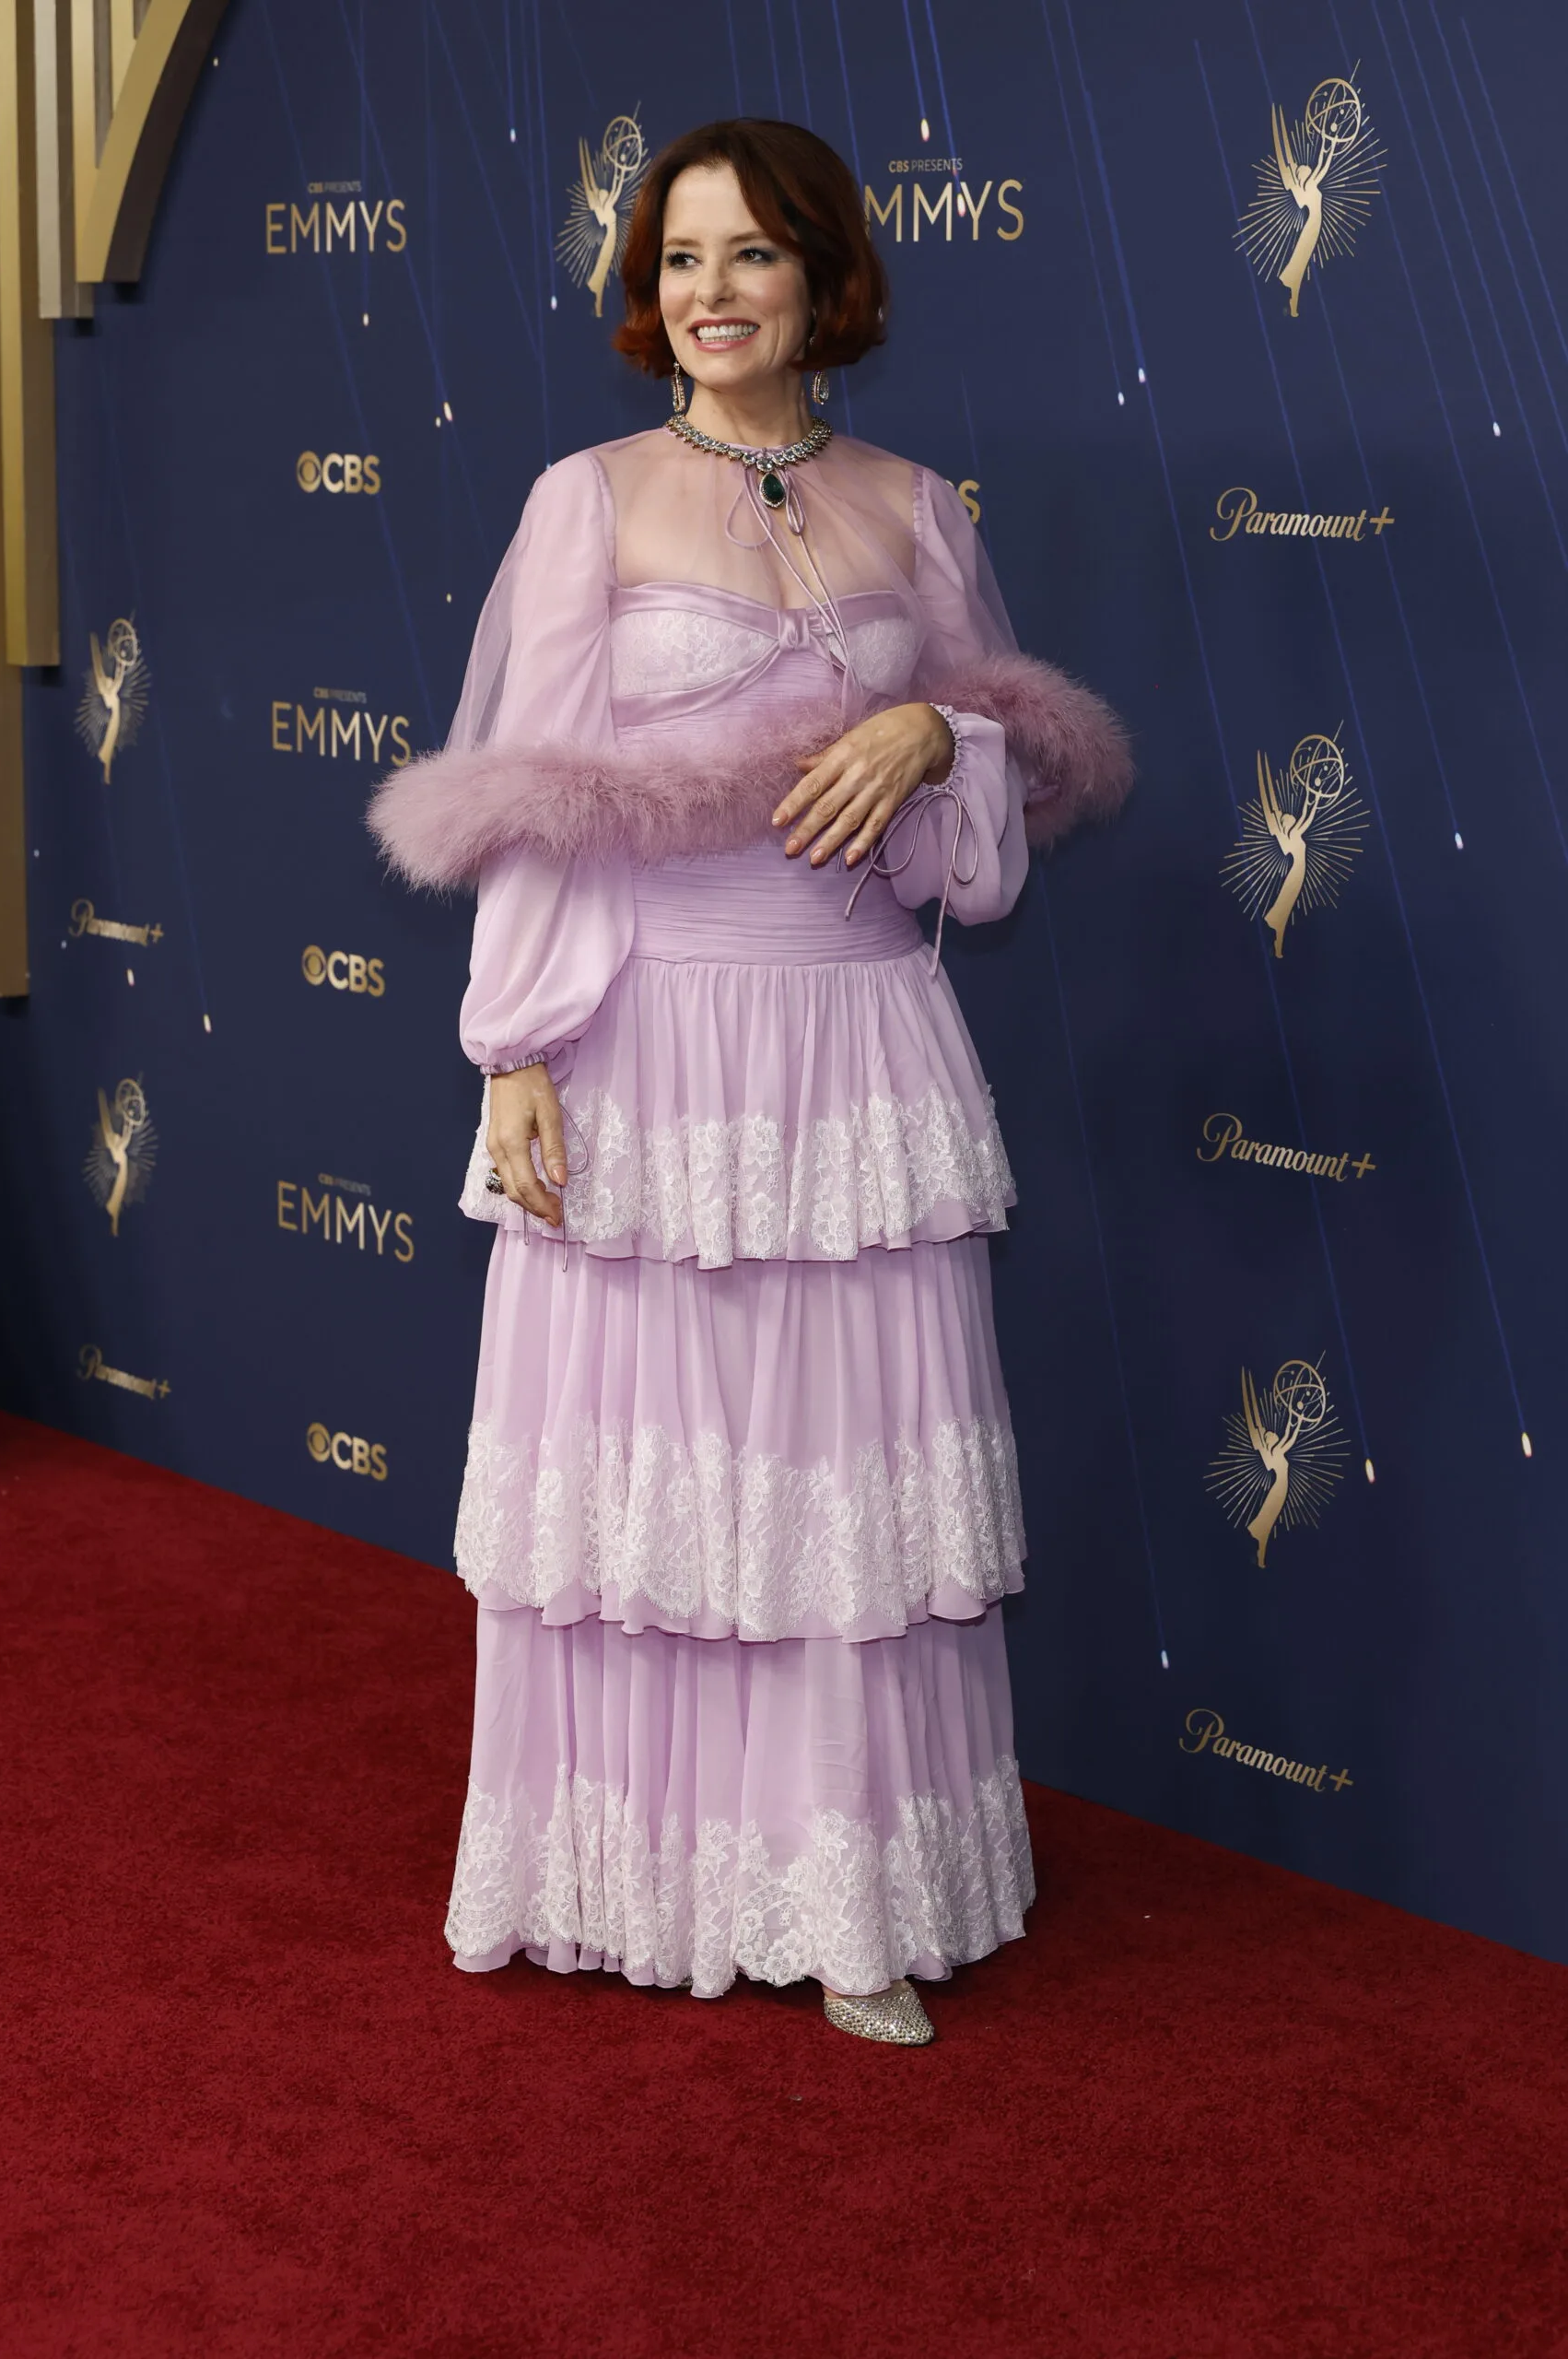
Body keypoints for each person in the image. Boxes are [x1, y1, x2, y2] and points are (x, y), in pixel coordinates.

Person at [370, 118, 1130, 2045]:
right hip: (647, 1033)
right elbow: (534, 800)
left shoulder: (914, 505)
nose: (710, 292)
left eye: (751, 254)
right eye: (680, 257)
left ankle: (849, 1900)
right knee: (658, 1472)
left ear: (823, 278)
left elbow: (982, 814)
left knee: (839, 1484)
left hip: (855, 1045)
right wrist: (515, 1049)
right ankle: (616, 1873)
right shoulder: (585, 501)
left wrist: (933, 734)